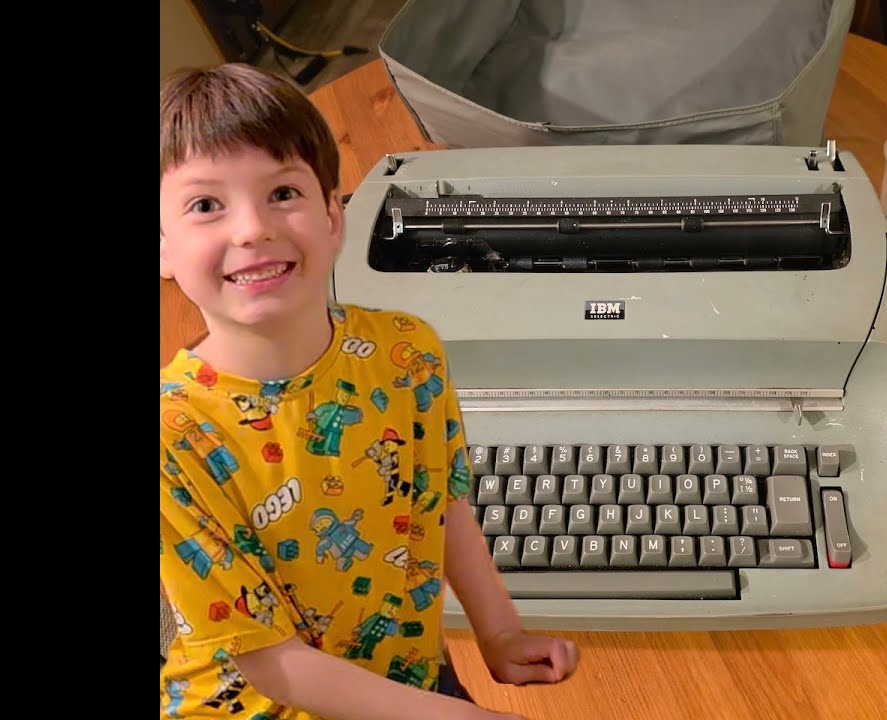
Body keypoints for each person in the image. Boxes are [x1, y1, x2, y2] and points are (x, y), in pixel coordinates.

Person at [159, 63, 578, 720]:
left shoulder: (408, 351)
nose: (250, 229)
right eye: (206, 205)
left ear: (333, 217)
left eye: (283, 193)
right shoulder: (171, 437)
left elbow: (441, 504)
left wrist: (498, 631)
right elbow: (269, 658)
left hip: (408, 682)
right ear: (161, 245)